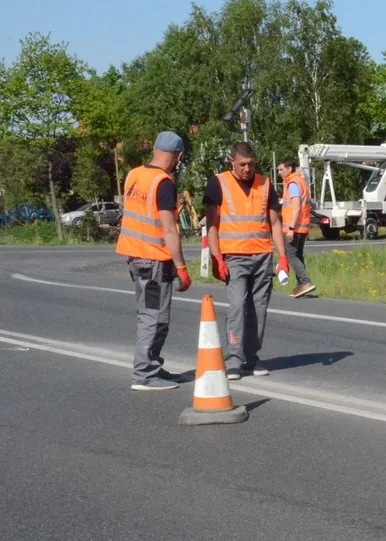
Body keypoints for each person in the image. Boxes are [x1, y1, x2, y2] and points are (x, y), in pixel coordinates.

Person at [204, 142, 290, 381]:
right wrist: (216, 257)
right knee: (238, 307)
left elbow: (275, 223)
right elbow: (211, 225)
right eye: (242, 164)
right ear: (232, 161)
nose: (246, 169)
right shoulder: (218, 183)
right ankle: (234, 359)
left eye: (251, 164)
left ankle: (252, 358)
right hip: (233, 257)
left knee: (258, 309)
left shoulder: (266, 184)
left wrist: (282, 257)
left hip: (262, 255)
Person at [116, 130, 190, 391]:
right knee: (154, 317)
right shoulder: (163, 183)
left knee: (151, 315)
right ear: (178, 156)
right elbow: (169, 229)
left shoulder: (135, 175)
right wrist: (181, 266)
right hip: (154, 261)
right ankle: (145, 374)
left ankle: (152, 366)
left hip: (136, 257)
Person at [276, 158, 316, 298]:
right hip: (302, 226)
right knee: (298, 255)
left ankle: (305, 282)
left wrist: (291, 228)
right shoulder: (300, 181)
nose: (279, 172)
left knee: (291, 255)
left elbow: (296, 206)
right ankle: (301, 286)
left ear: (290, 169)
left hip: (295, 227)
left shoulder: (292, 183)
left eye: (281, 169)